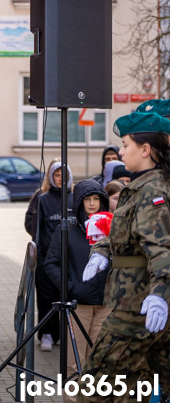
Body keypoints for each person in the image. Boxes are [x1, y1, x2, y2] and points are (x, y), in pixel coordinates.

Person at [79, 111, 170, 402]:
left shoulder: (153, 190)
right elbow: (123, 231)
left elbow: (162, 248)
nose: (120, 151)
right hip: (131, 301)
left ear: (145, 150)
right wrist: (102, 252)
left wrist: (160, 294)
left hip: (138, 306)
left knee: (96, 383)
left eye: (126, 144)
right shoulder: (138, 186)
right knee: (133, 387)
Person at [43, 179, 111, 403]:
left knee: (98, 359)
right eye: (87, 200)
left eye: (96, 199)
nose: (92, 204)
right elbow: (51, 263)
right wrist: (70, 287)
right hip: (78, 304)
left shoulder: (112, 228)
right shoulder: (69, 229)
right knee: (75, 361)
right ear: (79, 203)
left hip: (105, 303)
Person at [29, 161, 73, 351]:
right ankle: (46, 333)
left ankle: (63, 334)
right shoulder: (43, 199)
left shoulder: (74, 198)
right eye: (57, 175)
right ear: (51, 177)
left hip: (69, 258)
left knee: (65, 295)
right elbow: (36, 228)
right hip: (47, 257)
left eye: (64, 175)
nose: (61, 179)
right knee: (46, 297)